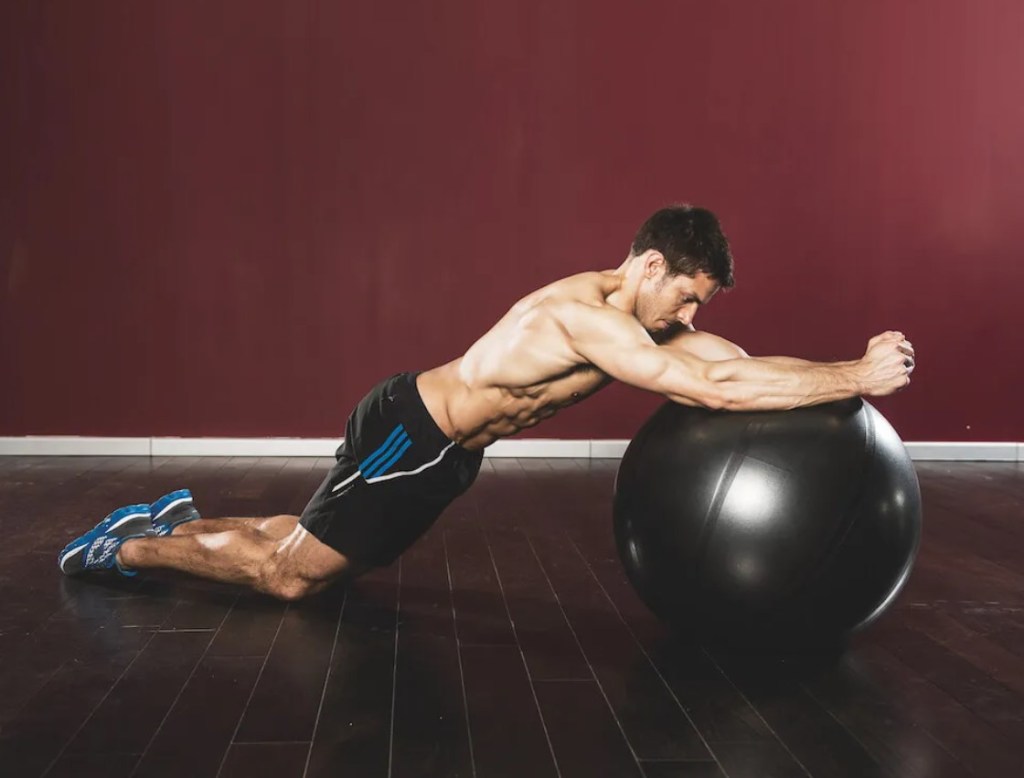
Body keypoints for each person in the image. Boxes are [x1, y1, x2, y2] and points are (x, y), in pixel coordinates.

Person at [58, 204, 915, 599]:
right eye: (686, 297)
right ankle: (126, 552)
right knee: (292, 579)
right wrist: (858, 374)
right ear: (650, 265)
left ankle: (176, 519)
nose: (688, 318)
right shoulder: (587, 320)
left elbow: (736, 362)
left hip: (439, 453)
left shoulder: (638, 320)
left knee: (310, 543)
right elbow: (713, 382)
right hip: (412, 434)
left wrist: (828, 376)